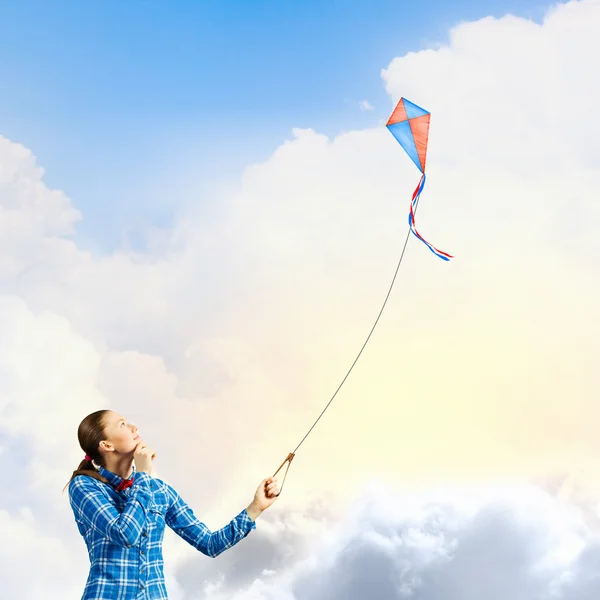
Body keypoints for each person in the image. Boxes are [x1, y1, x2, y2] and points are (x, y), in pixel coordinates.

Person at [66, 409, 279, 599]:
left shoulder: (159, 490)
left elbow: (210, 544)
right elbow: (125, 534)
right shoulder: (84, 486)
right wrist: (142, 476)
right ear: (106, 445)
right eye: (122, 424)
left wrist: (256, 507)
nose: (134, 427)